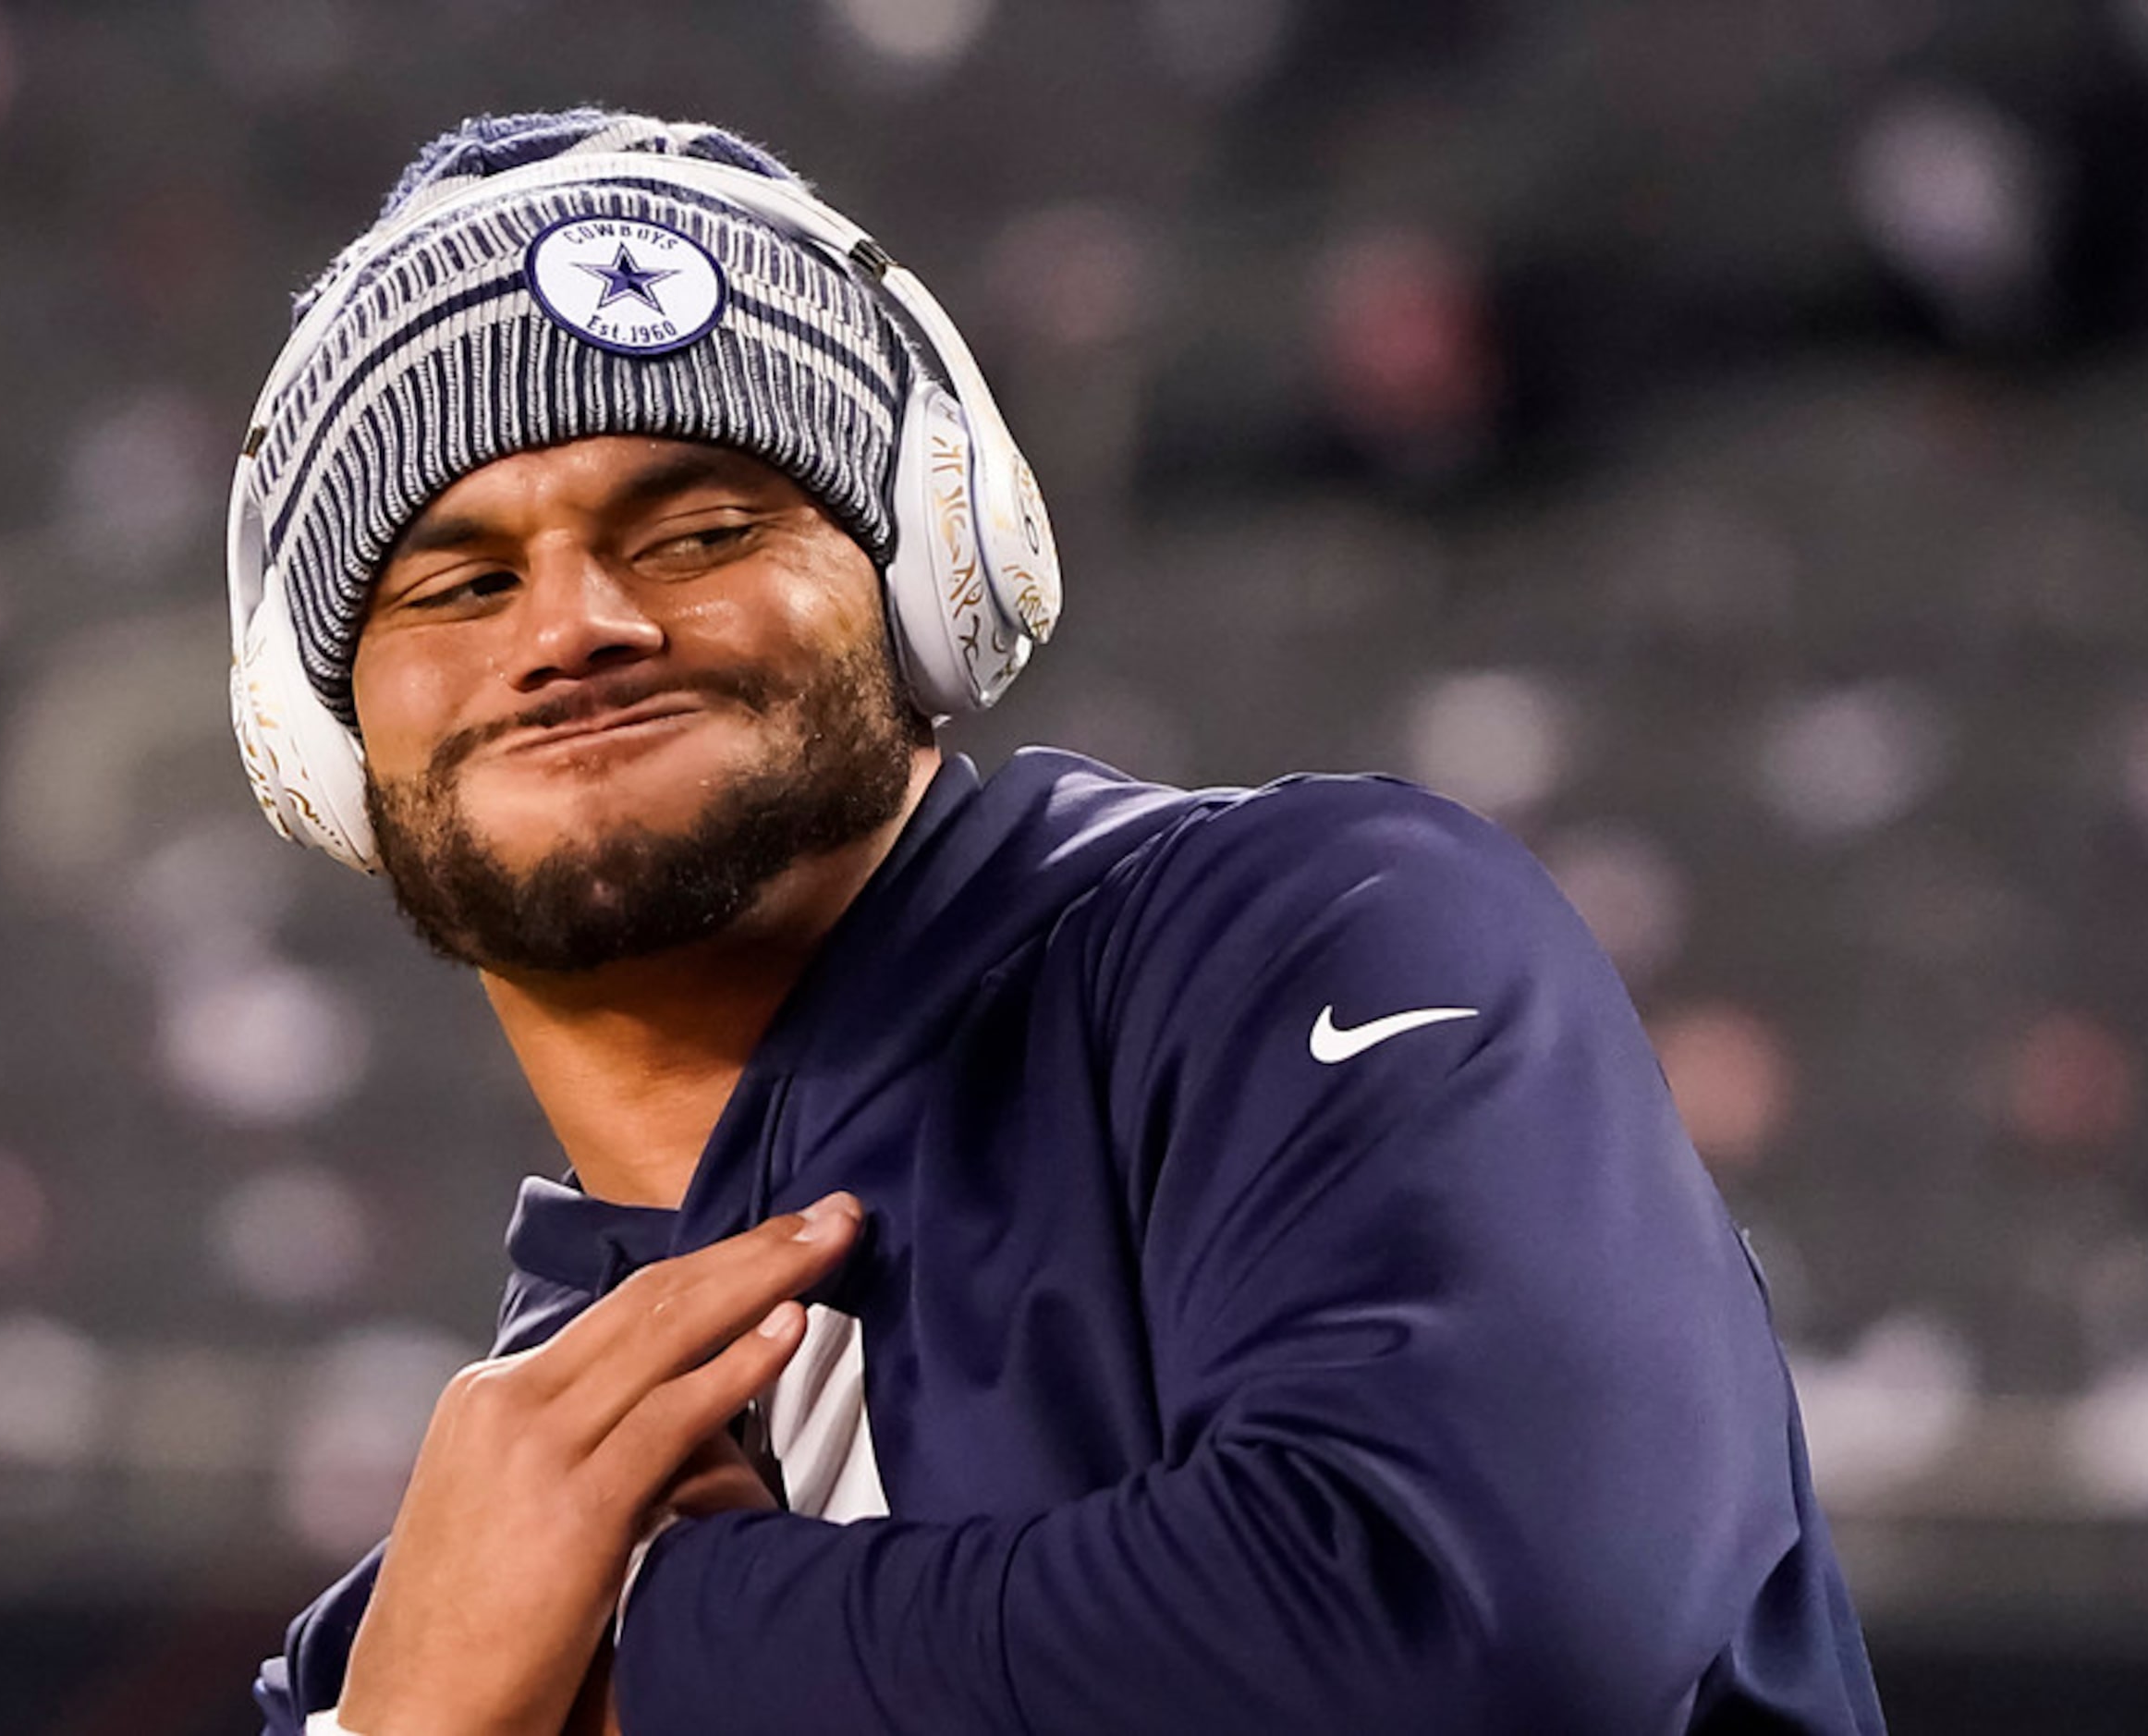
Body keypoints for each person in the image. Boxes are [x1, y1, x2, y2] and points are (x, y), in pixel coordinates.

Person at [227, 108, 1886, 1736]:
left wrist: (662, 1654)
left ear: (936, 568)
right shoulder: (429, 1626)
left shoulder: (1310, 940)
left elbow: (1463, 1628)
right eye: (457, 584)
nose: (580, 623)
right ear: (323, 741)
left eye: (704, 530)